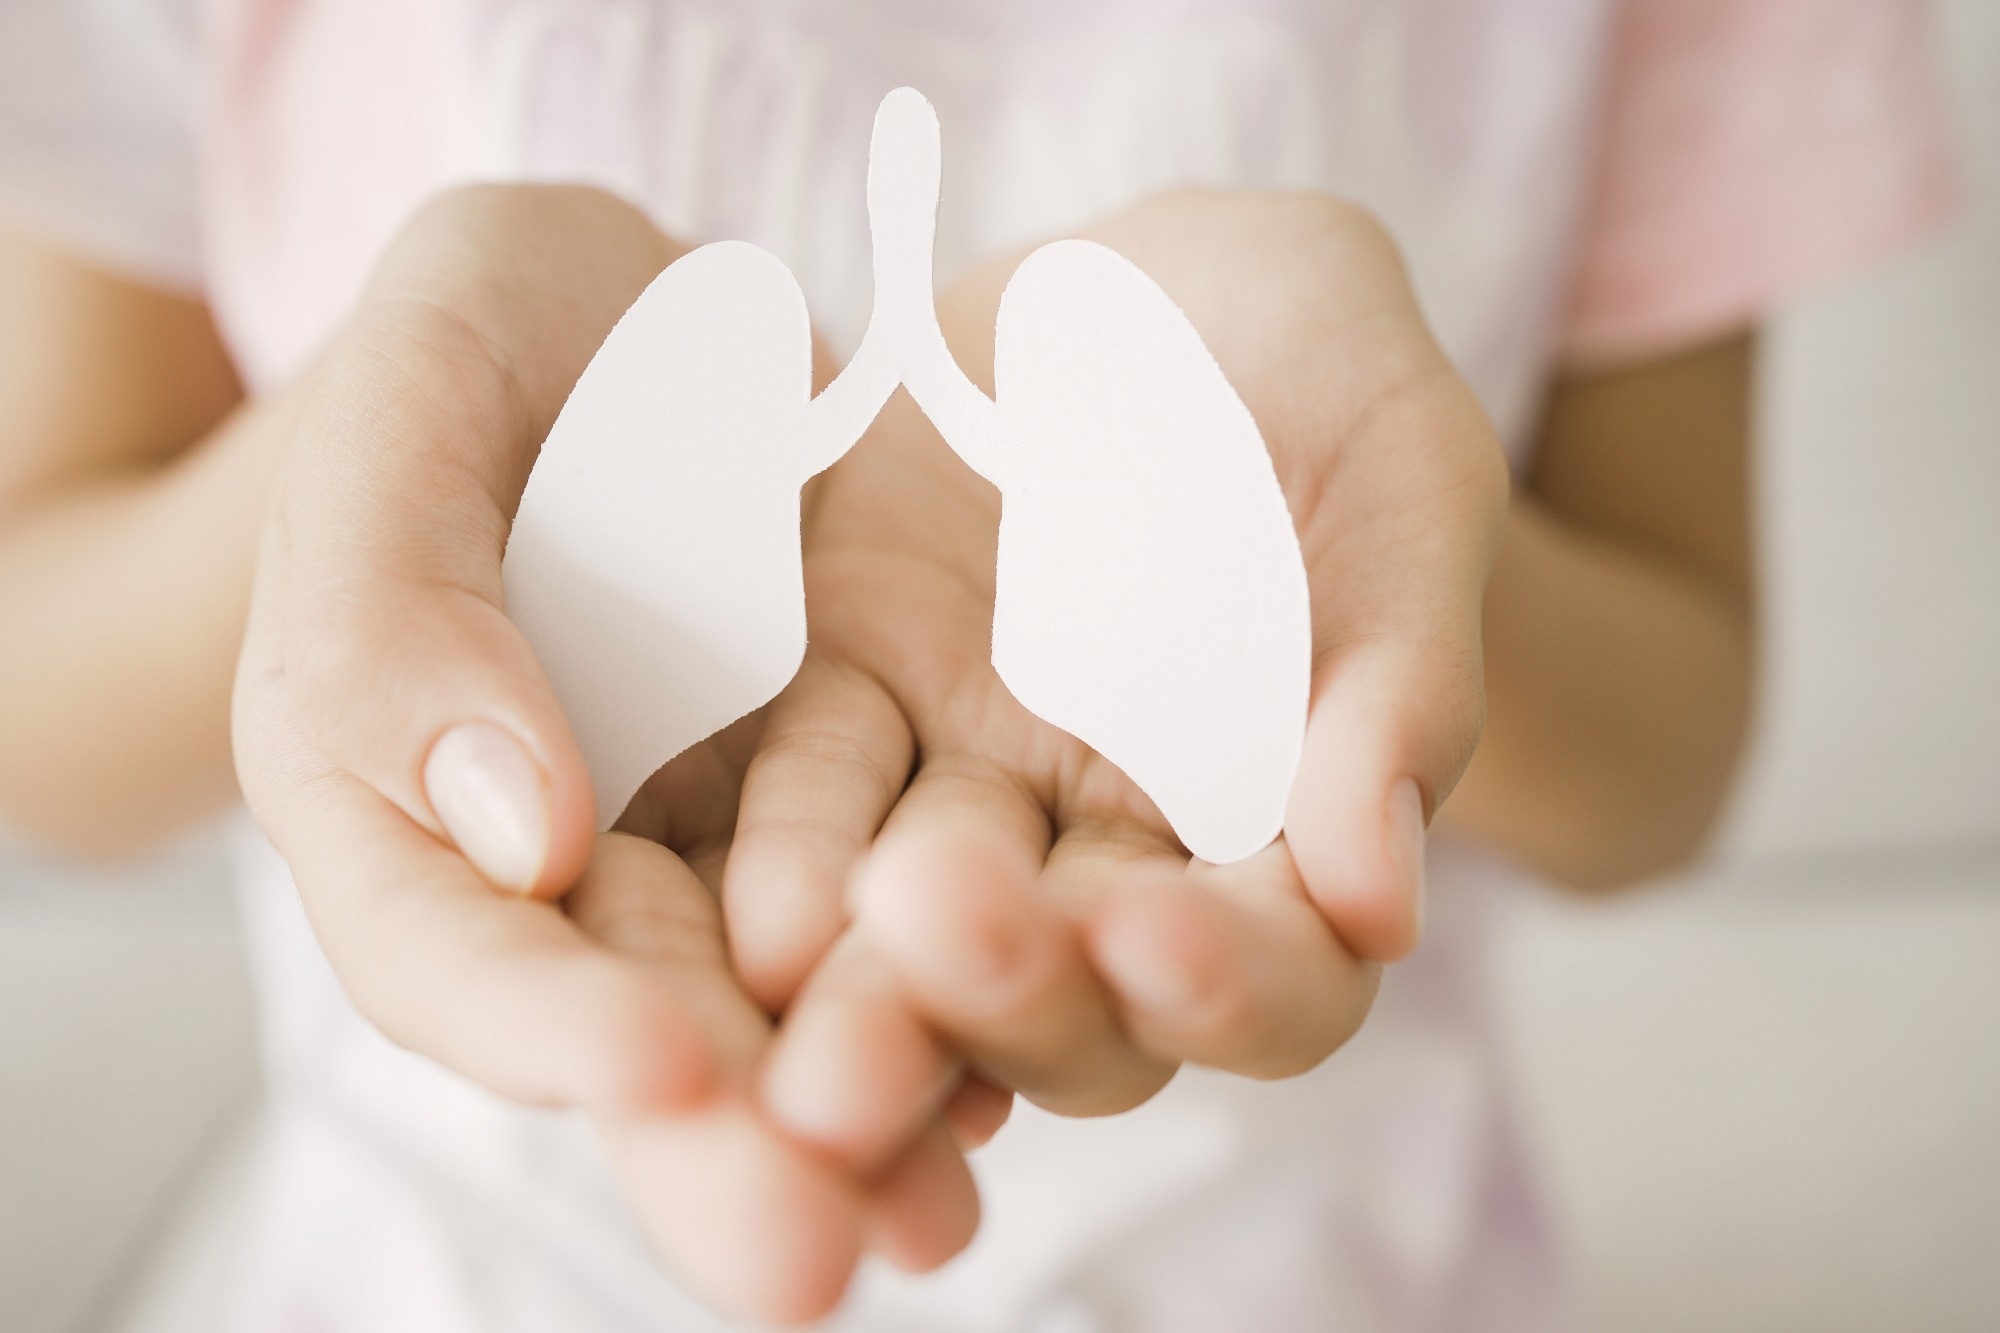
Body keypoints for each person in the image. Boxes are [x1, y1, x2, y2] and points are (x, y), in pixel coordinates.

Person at [0, 1, 1954, 1329]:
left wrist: (1364, 557)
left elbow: (1670, 742)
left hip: (1321, 1266)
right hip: (432, 1262)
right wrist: (383, 453)